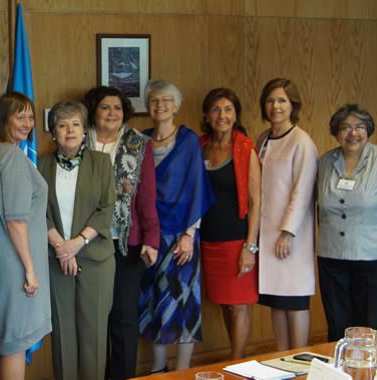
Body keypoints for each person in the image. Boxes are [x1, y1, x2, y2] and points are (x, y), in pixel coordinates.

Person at [83, 86, 160, 380]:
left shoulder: (139, 145)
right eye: (105, 107)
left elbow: (147, 196)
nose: (112, 113)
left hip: (127, 244)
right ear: (94, 111)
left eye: (117, 107)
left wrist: (151, 239)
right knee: (93, 319)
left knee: (124, 317)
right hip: (88, 243)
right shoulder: (79, 141)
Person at [138, 79, 214, 372]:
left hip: (181, 234)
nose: (160, 105)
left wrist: (188, 235)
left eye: (166, 100)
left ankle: (183, 373)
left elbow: (197, 186)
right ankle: (159, 371)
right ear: (148, 106)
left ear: (176, 106)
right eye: (155, 100)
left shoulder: (188, 140)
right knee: (154, 299)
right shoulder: (140, 140)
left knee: (183, 300)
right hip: (150, 235)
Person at [39, 101, 116, 380]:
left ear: (85, 131)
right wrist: (62, 246)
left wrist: (77, 243)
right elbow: (37, 211)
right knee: (63, 335)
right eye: (62, 125)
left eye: (75, 124)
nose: (69, 130)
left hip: (96, 260)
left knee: (94, 334)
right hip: (56, 260)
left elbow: (107, 208)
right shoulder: (40, 165)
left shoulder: (101, 162)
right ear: (53, 133)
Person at [0, 92, 51, 380]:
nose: (27, 123)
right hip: (16, 262)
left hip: (4, 258)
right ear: (4, 119)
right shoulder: (11, 157)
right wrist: (30, 269)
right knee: (15, 341)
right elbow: (16, 221)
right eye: (19, 116)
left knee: (3, 336)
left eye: (30, 116)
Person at [198, 88, 261, 359]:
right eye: (215, 109)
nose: (221, 115)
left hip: (236, 240)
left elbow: (256, 201)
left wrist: (251, 247)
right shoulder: (199, 145)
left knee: (237, 306)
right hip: (208, 239)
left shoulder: (245, 147)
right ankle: (233, 361)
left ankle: (238, 363)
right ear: (207, 115)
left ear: (236, 115)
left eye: (227, 109)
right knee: (224, 304)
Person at [256, 78, 317, 350]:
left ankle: (300, 356)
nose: (275, 106)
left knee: (295, 299)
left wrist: (287, 232)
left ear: (293, 105)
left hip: (290, 235)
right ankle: (281, 357)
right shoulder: (263, 139)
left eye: (282, 100)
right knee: (276, 299)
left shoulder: (301, 141)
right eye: (270, 100)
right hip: (266, 233)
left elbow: (302, 192)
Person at [317, 104, 377, 341]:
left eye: (360, 127)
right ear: (336, 132)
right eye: (346, 127)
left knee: (371, 326)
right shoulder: (324, 162)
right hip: (331, 257)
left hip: (371, 258)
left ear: (368, 130)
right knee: (337, 326)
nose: (353, 133)